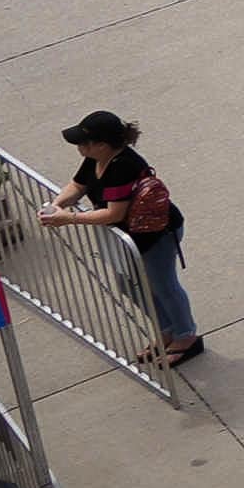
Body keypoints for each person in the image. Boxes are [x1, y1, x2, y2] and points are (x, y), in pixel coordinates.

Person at [40, 108, 200, 365]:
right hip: (129, 237)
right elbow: (78, 185)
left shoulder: (124, 166)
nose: (79, 147)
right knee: (130, 286)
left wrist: (68, 218)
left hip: (155, 236)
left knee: (163, 286)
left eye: (83, 142)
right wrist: (58, 205)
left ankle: (186, 335)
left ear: (102, 145)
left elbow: (113, 214)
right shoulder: (96, 158)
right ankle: (167, 330)